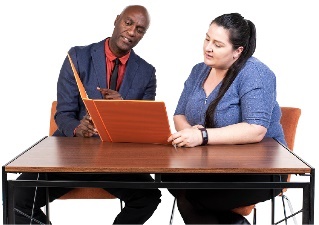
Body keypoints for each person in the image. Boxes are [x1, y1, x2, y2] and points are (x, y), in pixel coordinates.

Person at [14, 5, 161, 224]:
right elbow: (63, 113)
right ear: (116, 20)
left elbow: (144, 126)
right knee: (17, 197)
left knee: (149, 197)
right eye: (128, 23)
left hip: (116, 162)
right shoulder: (78, 57)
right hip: (71, 156)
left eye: (140, 29)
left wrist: (125, 107)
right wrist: (77, 128)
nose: (132, 32)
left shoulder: (147, 72)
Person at [165, 13, 287, 224]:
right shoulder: (198, 71)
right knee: (169, 178)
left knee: (192, 196)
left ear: (237, 51)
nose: (208, 48)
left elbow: (256, 128)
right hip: (210, 166)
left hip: (259, 169)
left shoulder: (255, 73)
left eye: (218, 44)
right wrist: (189, 132)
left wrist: (202, 136)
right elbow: (179, 114)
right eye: (207, 39)